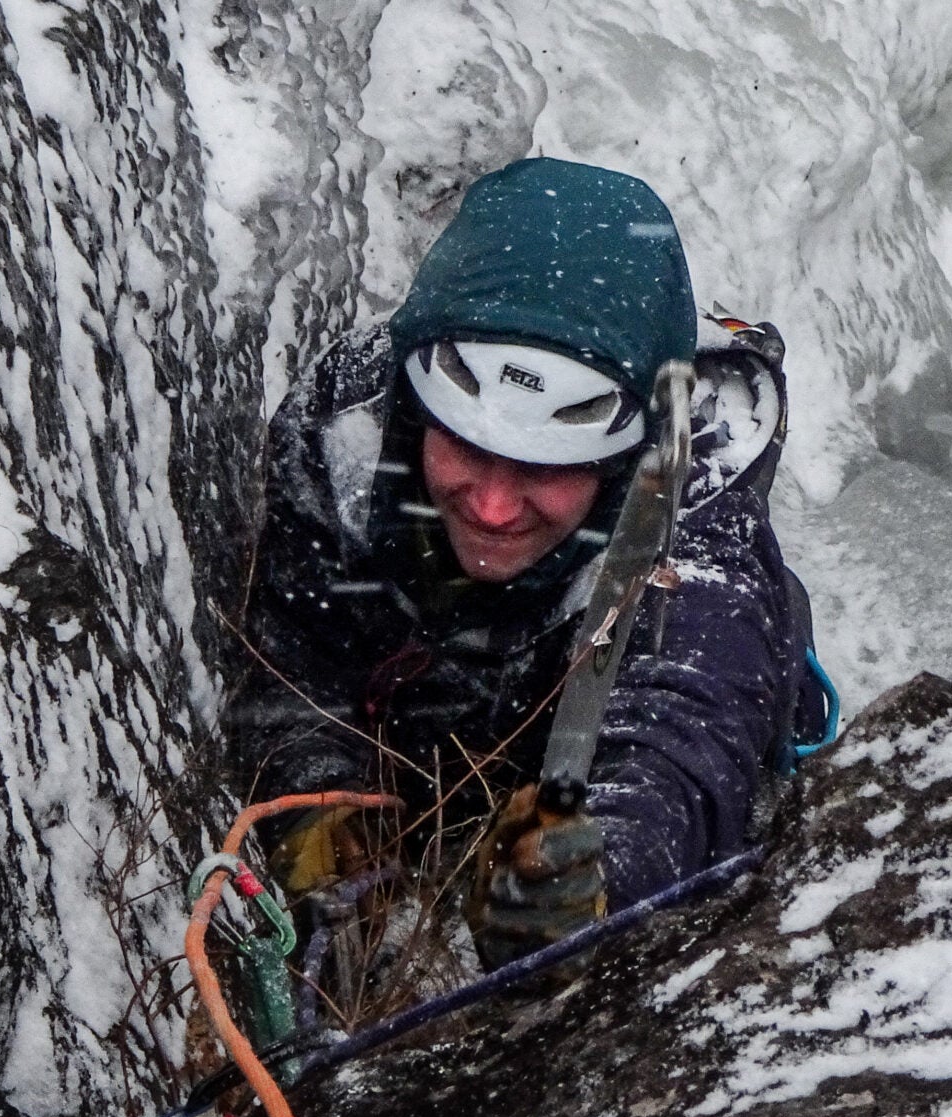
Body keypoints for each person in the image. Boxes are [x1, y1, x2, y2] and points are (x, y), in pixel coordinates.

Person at [224, 157, 824, 974]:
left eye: (546, 467)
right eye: (470, 448)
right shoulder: (349, 429)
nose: (497, 507)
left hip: (576, 762)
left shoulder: (693, 503)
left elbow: (689, 728)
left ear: (622, 459)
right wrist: (329, 841)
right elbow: (293, 664)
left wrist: (596, 872)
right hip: (428, 735)